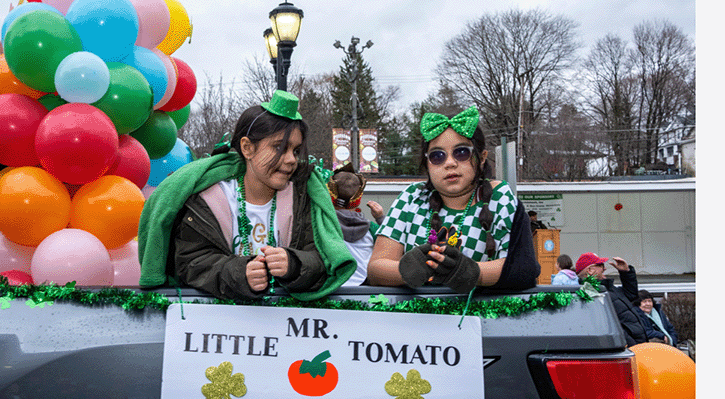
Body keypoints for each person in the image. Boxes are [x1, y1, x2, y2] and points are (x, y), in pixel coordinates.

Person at [137, 91, 356, 299]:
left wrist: (294, 264)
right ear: (247, 148)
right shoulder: (207, 200)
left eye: (296, 151)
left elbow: (323, 259)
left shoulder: (304, 198)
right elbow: (190, 262)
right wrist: (239, 274)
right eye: (279, 148)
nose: (291, 159)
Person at [367, 106, 539, 292]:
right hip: (415, 319)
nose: (450, 163)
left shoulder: (500, 198)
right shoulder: (411, 197)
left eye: (462, 152)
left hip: (480, 319)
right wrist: (407, 270)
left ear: (482, 158)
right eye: (437, 156)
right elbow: (376, 269)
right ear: (427, 163)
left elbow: (522, 268)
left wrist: (470, 272)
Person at [574, 252, 665, 347]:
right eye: (601, 265)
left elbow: (631, 295)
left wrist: (625, 272)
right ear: (590, 270)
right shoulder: (591, 292)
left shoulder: (607, 288)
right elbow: (608, 325)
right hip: (629, 349)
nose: (604, 268)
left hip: (636, 346)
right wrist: (631, 346)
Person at [326, 163, 385, 285]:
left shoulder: (323, 225)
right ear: (358, 198)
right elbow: (392, 242)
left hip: (333, 289)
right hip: (366, 289)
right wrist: (381, 218)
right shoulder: (372, 229)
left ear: (329, 194)